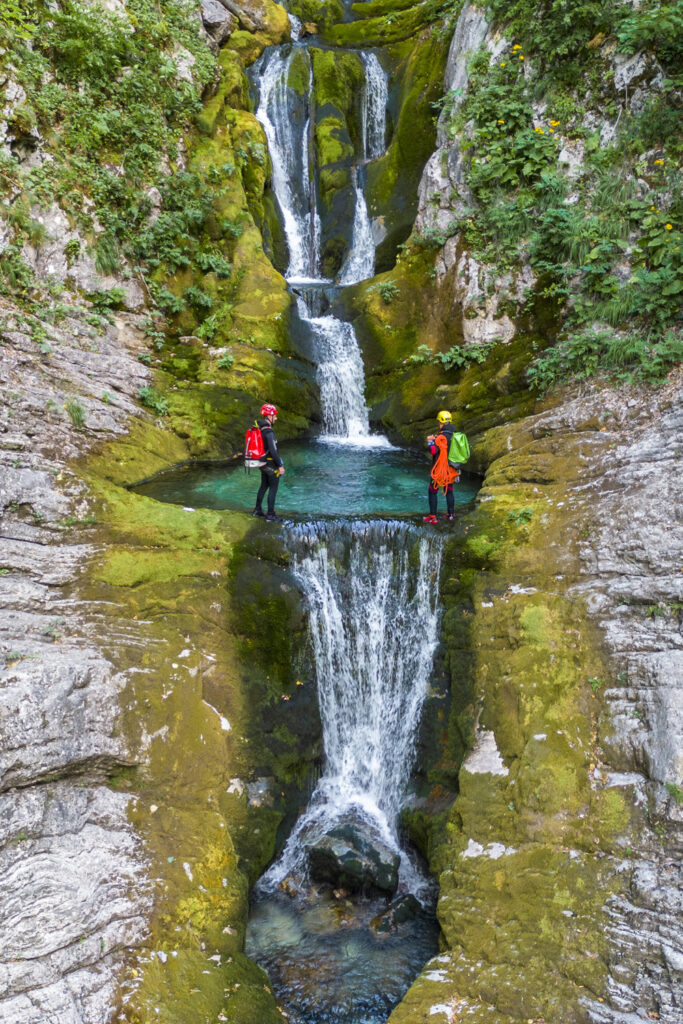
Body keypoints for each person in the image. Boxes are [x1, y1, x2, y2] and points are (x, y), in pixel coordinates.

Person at [423, 410, 459, 524]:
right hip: (452, 468)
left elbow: (433, 451)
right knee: (449, 490)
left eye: (439, 422)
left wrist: (430, 442)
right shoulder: (455, 435)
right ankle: (451, 514)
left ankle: (433, 517)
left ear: (442, 423)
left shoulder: (441, 437)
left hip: (440, 469)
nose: (439, 424)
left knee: (432, 490)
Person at [252, 403, 285, 522]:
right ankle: (271, 514)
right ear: (269, 416)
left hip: (262, 463)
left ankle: (257, 510)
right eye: (274, 415)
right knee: (273, 488)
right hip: (271, 464)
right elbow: (273, 450)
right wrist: (280, 465)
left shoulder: (260, 429)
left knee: (264, 486)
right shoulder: (269, 432)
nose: (276, 418)